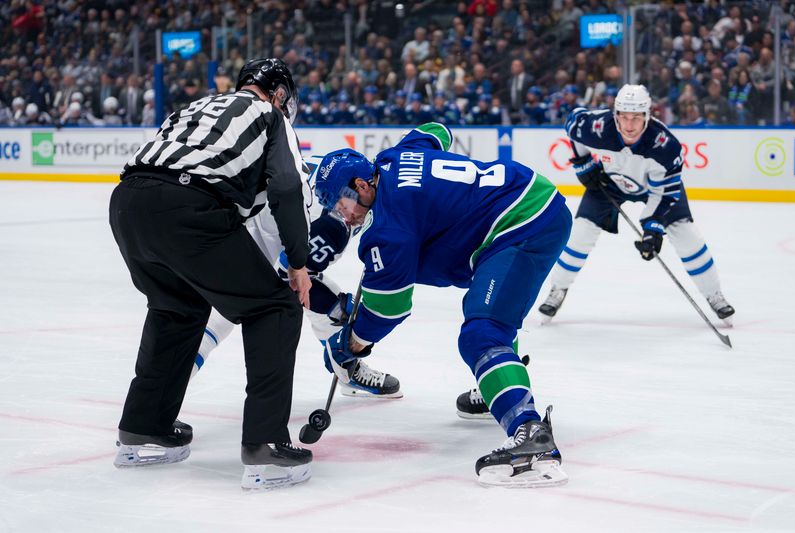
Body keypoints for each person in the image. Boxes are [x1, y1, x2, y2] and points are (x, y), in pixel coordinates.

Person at [313, 123, 572, 488]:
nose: (345, 216)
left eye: (342, 204)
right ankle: (495, 387)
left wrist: (350, 344)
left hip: (521, 224)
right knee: (489, 312)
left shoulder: (389, 229)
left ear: (361, 186)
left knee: (482, 333)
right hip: (528, 198)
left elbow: (389, 309)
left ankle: (531, 434)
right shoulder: (395, 156)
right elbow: (436, 130)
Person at [109, 58, 314, 491]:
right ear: (279, 93)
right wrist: (299, 262)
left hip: (128, 203)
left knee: (177, 306)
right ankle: (265, 444)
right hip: (187, 206)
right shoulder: (268, 115)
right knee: (275, 306)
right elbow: (287, 188)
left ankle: (145, 427)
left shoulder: (195, 106)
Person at [188, 154, 402, 399]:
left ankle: (346, 370)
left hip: (269, 226)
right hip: (252, 242)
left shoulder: (347, 179)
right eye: (340, 207)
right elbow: (291, 276)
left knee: (325, 310)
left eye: (344, 205)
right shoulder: (333, 225)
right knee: (218, 319)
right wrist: (336, 307)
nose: (346, 214)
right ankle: (163, 401)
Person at [537, 84, 735, 324]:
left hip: (656, 189)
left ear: (647, 116)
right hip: (609, 183)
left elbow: (663, 194)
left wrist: (652, 229)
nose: (629, 125)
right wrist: (583, 163)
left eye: (636, 118)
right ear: (615, 115)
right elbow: (573, 123)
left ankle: (714, 294)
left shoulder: (665, 146)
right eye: (624, 117)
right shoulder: (598, 128)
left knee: (687, 236)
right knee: (579, 234)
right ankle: (558, 288)